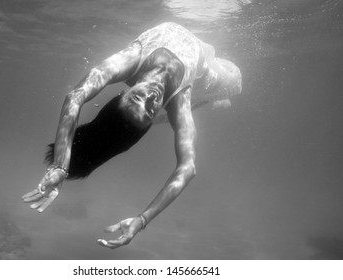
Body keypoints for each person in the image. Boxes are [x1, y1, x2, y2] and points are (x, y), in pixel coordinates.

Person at [22, 22, 242, 249]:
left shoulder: (132, 61)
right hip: (203, 75)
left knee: (174, 108)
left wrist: (61, 165)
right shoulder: (179, 100)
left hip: (193, 55)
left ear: (123, 92)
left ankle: (181, 108)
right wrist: (142, 220)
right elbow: (188, 167)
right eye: (149, 110)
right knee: (235, 80)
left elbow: (75, 97)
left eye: (137, 98)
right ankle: (209, 101)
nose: (151, 97)